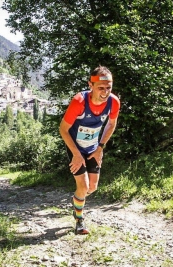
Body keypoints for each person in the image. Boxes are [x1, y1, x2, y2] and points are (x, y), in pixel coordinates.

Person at [59, 65, 120, 235]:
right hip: (75, 146)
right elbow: (63, 129)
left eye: (109, 88)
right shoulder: (79, 101)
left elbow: (111, 124)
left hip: (93, 147)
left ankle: (76, 202)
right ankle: (79, 219)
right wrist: (77, 155)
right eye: (101, 88)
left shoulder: (113, 101)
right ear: (90, 85)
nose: (105, 92)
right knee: (83, 186)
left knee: (92, 187)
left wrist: (100, 148)